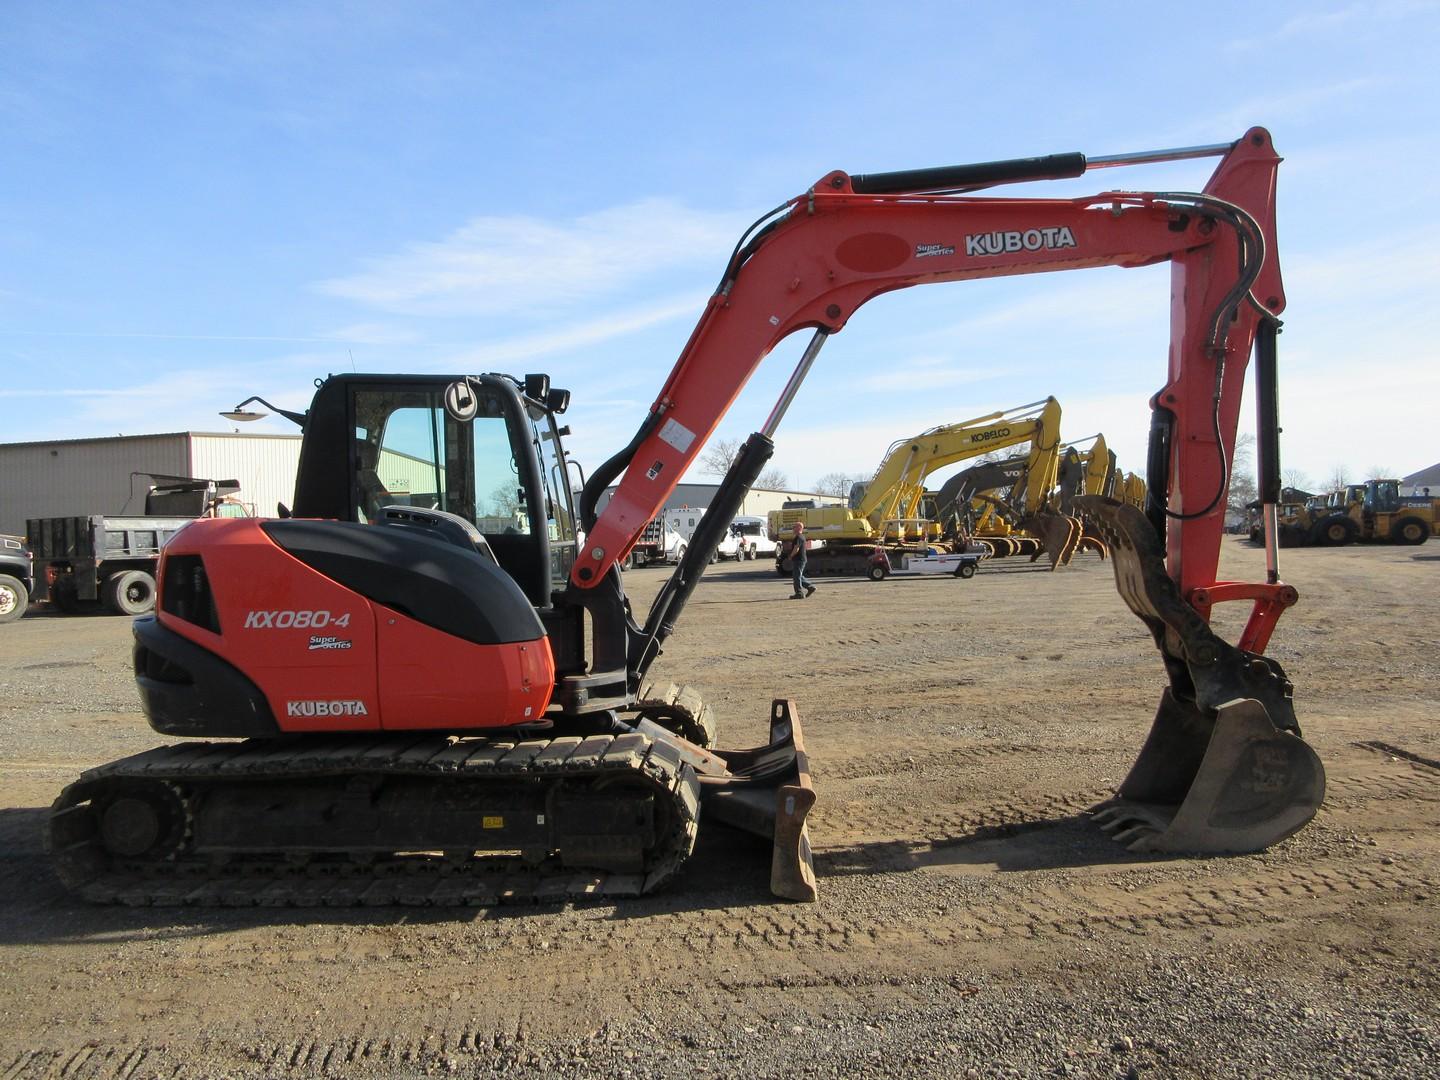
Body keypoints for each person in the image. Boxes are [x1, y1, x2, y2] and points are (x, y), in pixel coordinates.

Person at [785, 522, 816, 599]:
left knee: (796, 577)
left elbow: (796, 548)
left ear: (799, 528)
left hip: (799, 560)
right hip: (801, 559)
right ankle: (810, 587)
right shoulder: (802, 537)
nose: (793, 529)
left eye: (794, 527)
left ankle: (799, 593)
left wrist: (790, 556)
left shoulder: (798, 537)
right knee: (799, 576)